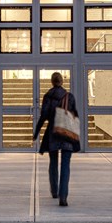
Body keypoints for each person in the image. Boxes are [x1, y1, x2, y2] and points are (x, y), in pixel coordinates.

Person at [34, 72, 79, 206]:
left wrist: (36, 132)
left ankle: (54, 191)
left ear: (52, 82)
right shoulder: (69, 97)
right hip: (66, 132)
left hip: (53, 133)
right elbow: (74, 115)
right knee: (66, 165)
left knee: (53, 161)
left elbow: (43, 116)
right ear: (62, 82)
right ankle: (63, 197)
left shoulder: (48, 97)